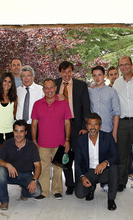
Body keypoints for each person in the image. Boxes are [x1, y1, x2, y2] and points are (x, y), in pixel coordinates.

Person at [31, 78, 71, 200]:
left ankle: (57, 190)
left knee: (58, 167)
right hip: (43, 143)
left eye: (51, 87)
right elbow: (34, 124)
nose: (49, 90)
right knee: (43, 167)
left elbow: (67, 123)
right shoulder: (37, 104)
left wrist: (67, 140)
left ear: (55, 88)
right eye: (46, 88)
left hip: (59, 142)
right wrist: (34, 141)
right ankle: (43, 191)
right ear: (43, 90)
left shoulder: (64, 103)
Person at [55, 61, 90, 195]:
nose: (67, 74)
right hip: (60, 125)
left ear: (72, 71)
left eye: (69, 71)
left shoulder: (81, 85)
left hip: (77, 125)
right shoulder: (55, 84)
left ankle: (79, 182)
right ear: (60, 72)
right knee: (65, 155)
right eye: (64, 72)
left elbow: (86, 107)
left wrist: (84, 126)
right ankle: (69, 184)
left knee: (79, 155)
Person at [112, 56, 133, 194]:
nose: (124, 67)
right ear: (119, 67)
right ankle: (121, 182)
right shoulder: (117, 83)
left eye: (126, 64)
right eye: (121, 65)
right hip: (122, 123)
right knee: (122, 155)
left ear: (132, 65)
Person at [75, 113, 119, 210]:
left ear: (100, 126)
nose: (93, 127)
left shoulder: (108, 137)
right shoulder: (81, 140)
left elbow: (116, 157)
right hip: (89, 172)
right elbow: (77, 163)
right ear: (86, 126)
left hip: (104, 171)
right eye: (90, 124)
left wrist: (105, 162)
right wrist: (82, 177)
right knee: (79, 193)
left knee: (114, 168)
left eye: (95, 124)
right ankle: (91, 189)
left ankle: (111, 199)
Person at [0, 120, 42, 210]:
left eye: (21, 131)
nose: (18, 134)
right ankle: (4, 201)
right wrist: (7, 165)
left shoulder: (32, 146)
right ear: (13, 132)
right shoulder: (7, 144)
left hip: (26, 175)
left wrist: (34, 180)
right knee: (0, 170)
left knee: (37, 192)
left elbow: (38, 166)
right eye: (16, 131)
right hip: (10, 174)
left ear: (25, 132)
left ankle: (24, 192)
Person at [89, 66, 120, 142]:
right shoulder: (89, 91)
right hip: (93, 131)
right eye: (94, 75)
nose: (97, 78)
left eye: (99, 75)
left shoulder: (112, 92)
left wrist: (114, 133)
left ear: (104, 76)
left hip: (108, 130)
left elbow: (117, 113)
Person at [16, 65, 44, 140]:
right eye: (23, 76)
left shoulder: (41, 90)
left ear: (33, 77)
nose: (26, 78)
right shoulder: (17, 91)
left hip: (36, 126)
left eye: (28, 75)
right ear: (21, 78)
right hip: (20, 127)